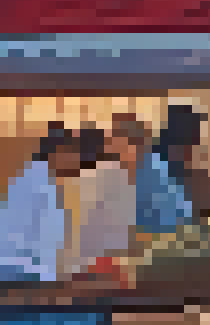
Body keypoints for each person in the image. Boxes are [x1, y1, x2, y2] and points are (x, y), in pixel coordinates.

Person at [0, 125, 83, 283]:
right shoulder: (42, 186)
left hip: (17, 267)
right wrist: (58, 281)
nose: (76, 159)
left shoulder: (32, 176)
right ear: (57, 152)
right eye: (72, 153)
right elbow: (47, 246)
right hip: (20, 273)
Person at [68, 123, 137, 276]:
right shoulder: (119, 172)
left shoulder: (85, 179)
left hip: (92, 259)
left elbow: (80, 228)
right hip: (119, 256)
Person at [118, 117, 194, 240]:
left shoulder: (151, 170)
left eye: (119, 146)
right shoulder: (146, 165)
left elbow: (167, 216)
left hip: (166, 236)